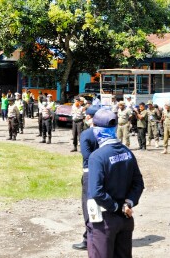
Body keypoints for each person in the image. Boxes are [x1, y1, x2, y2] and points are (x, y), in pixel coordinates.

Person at [87, 109, 144, 258]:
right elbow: (138, 183)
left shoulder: (97, 157)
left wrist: (116, 207)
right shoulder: (127, 152)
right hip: (125, 218)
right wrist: (128, 203)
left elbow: (97, 191)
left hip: (106, 220)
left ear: (98, 130)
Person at [72, 105, 102, 251]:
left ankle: (88, 238)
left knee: (88, 205)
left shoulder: (87, 134)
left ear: (89, 117)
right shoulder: (106, 133)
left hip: (90, 172)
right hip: (105, 171)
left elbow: (86, 155)